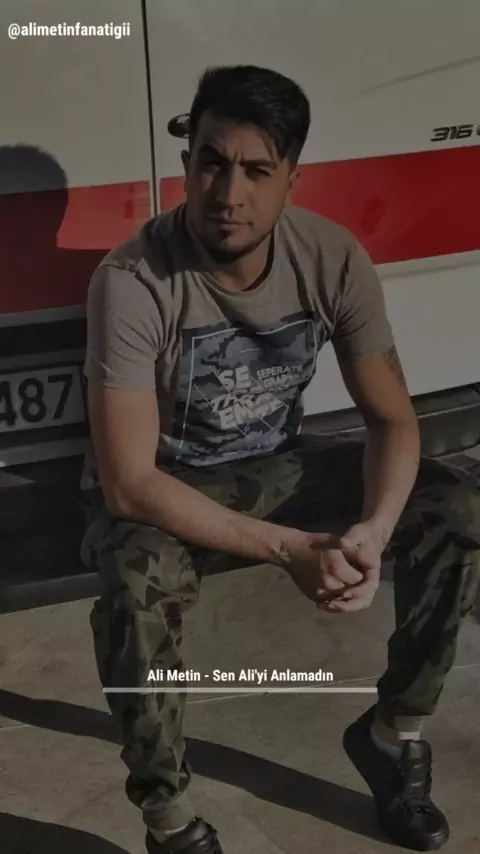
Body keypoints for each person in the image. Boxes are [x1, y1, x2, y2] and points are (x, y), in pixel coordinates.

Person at [79, 64, 480, 854]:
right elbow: (128, 483)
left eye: (256, 171)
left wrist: (372, 531)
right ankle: (170, 821)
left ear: (292, 178)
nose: (229, 194)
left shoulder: (331, 257)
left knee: (456, 507)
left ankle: (393, 737)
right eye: (211, 164)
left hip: (275, 467)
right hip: (166, 487)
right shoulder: (133, 280)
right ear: (187, 164)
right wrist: (292, 550)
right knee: (134, 579)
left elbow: (393, 421)